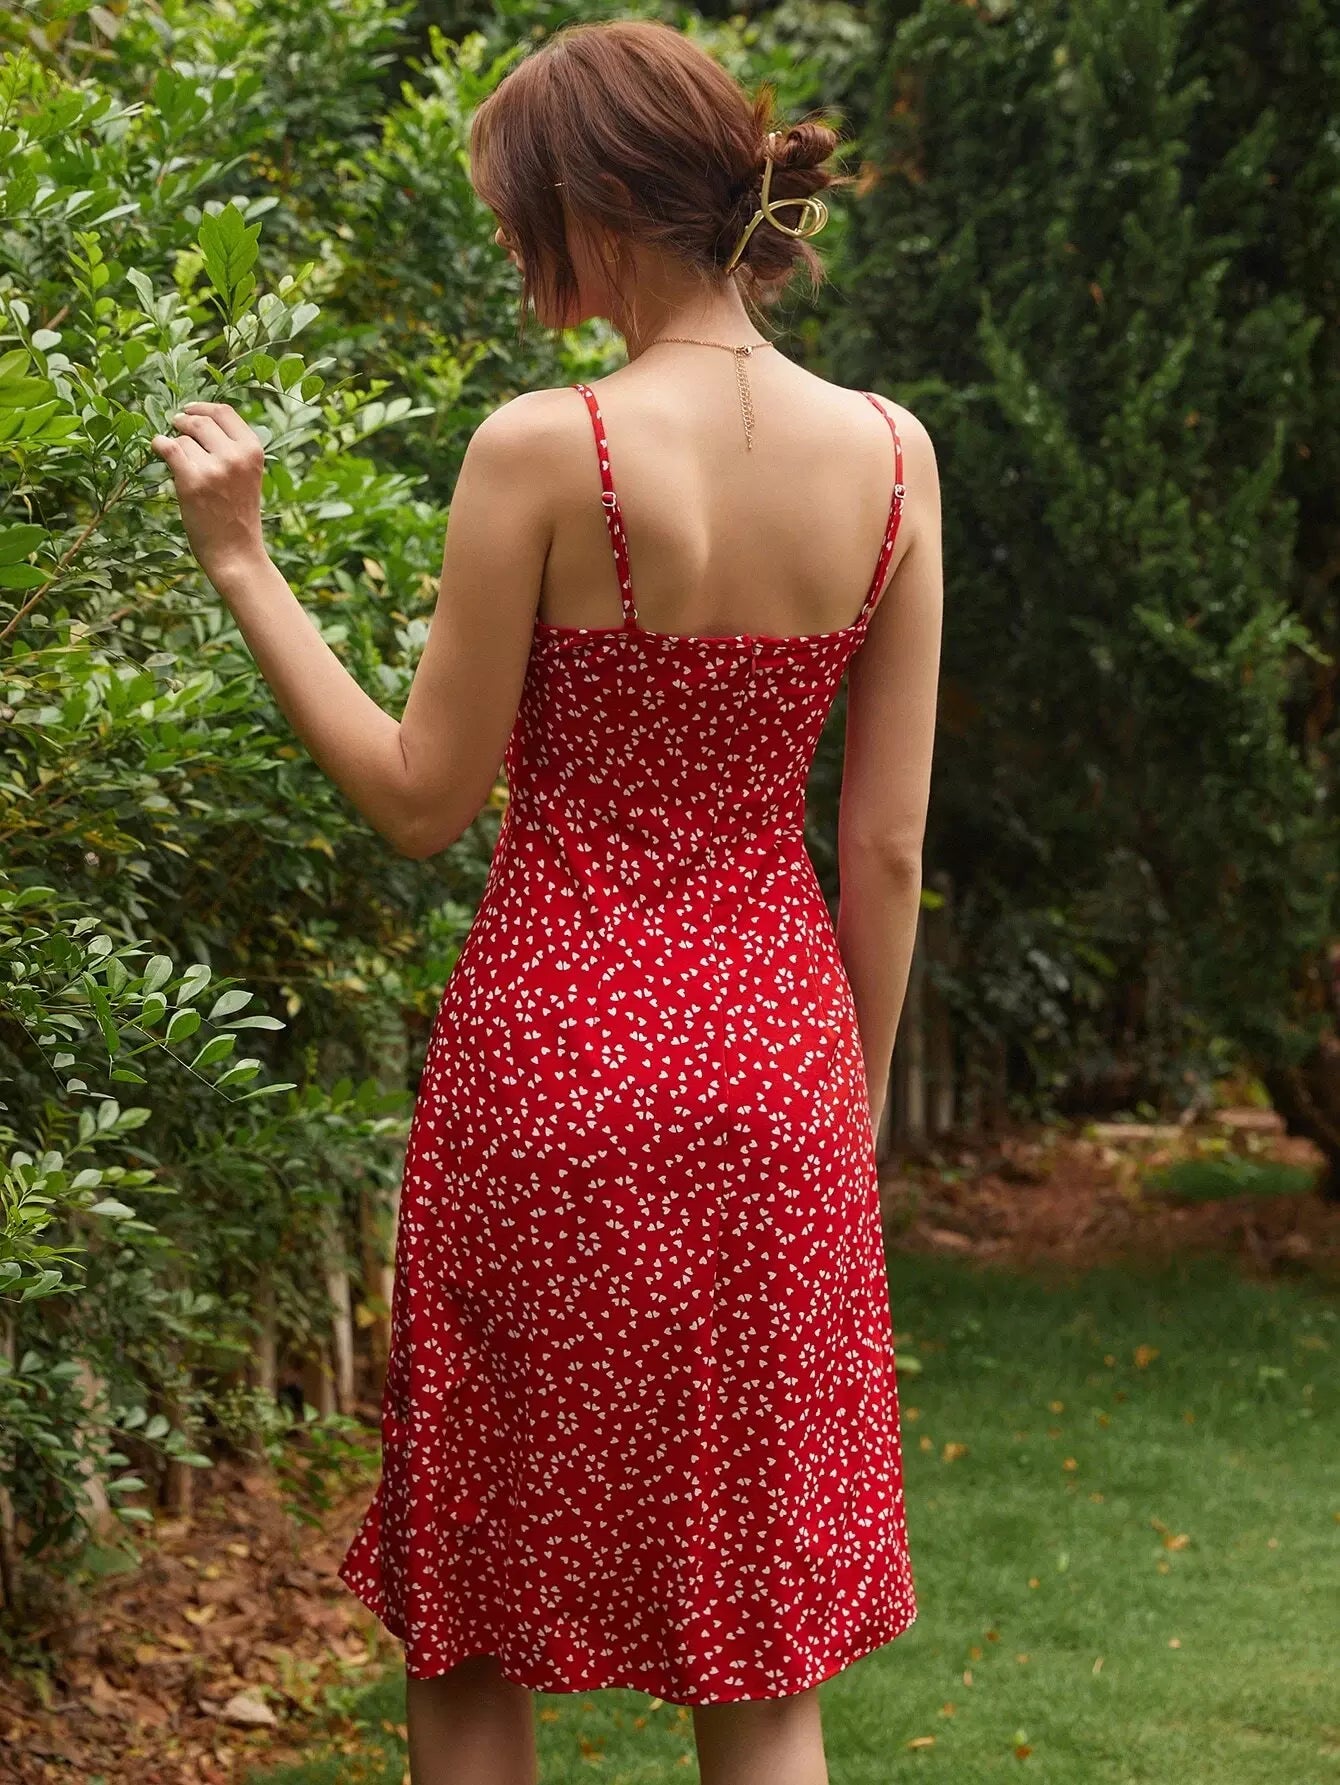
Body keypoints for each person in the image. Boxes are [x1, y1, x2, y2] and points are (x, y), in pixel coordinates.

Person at [151, 18, 942, 1784]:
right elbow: (885, 845)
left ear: (590, 208)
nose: (522, 259)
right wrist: (853, 1094)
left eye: (522, 219)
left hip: (554, 1065)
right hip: (777, 1073)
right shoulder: (896, 453)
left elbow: (421, 801)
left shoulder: (541, 448)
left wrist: (244, 559)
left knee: (480, 1613)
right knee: (761, 1642)